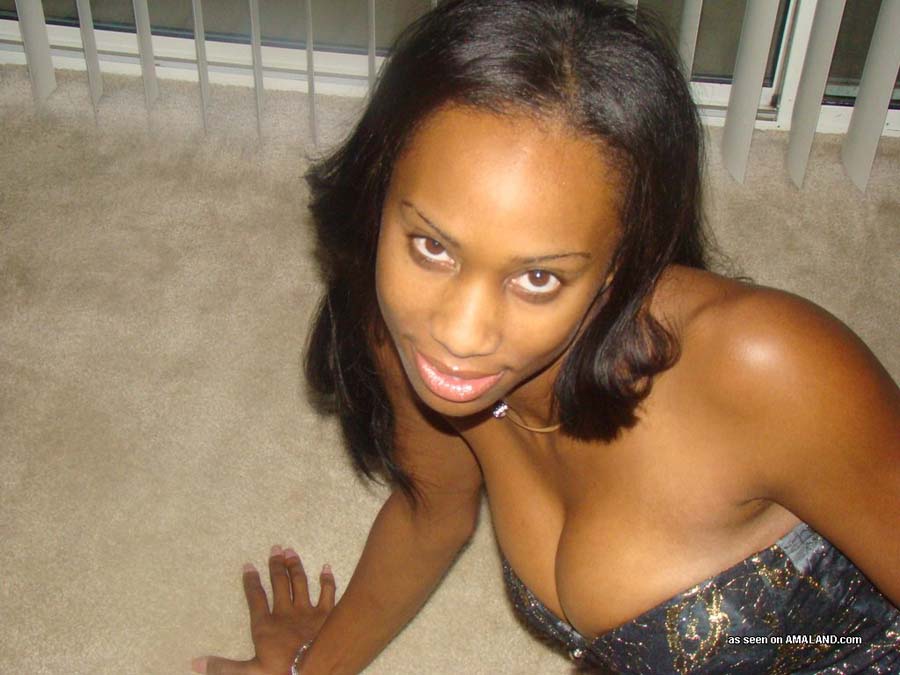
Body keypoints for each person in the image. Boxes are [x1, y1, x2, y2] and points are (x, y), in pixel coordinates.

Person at [192, 1, 900, 673]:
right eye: (432, 246)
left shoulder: (770, 370)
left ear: (625, 259)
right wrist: (309, 666)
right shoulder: (407, 332)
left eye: (538, 277)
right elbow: (430, 513)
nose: (458, 334)